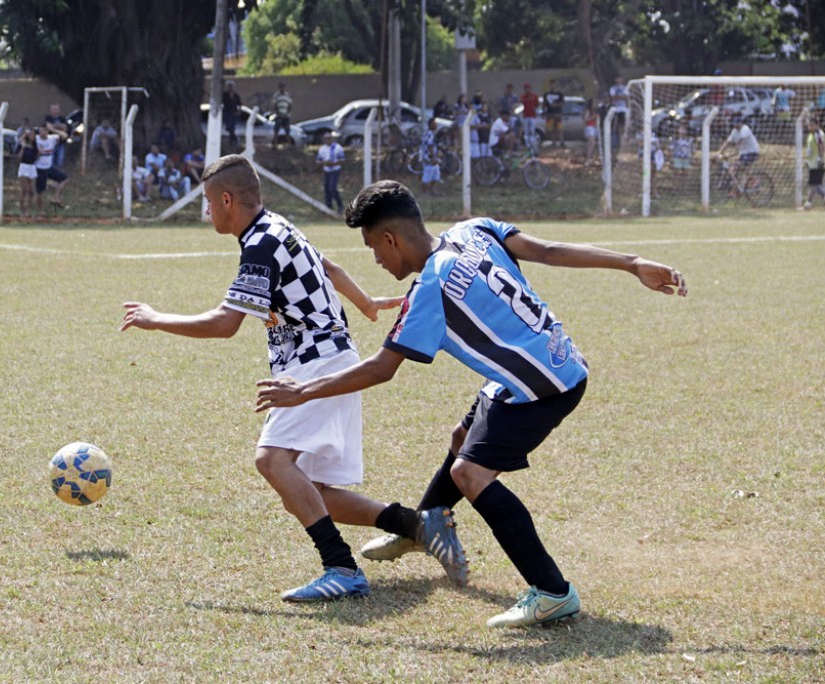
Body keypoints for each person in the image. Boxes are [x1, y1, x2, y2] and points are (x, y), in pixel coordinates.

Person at [255, 179, 688, 627]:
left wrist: (302, 391)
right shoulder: (473, 230)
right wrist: (632, 263)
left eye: (373, 249)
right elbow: (551, 251)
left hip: (542, 388)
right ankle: (421, 527)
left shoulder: (430, 289)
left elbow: (381, 368)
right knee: (462, 439)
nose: (377, 260)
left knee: (469, 473)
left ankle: (552, 591)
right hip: (546, 364)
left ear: (390, 238)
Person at [120, 155, 466, 602]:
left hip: (316, 363)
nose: (207, 212)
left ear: (227, 200)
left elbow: (226, 324)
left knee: (272, 461)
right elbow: (328, 268)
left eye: (209, 202)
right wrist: (364, 303)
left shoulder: (260, 242)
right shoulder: (276, 227)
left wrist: (156, 318)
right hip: (329, 357)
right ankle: (416, 526)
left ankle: (341, 568)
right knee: (314, 489)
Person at [717, 115, 760, 193]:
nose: (736, 125)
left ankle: (754, 181)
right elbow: (727, 142)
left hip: (752, 152)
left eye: (737, 123)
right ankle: (737, 190)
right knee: (735, 171)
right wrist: (720, 152)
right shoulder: (734, 131)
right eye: (734, 123)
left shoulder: (745, 129)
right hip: (744, 153)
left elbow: (739, 142)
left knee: (736, 168)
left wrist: (734, 152)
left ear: (741, 123)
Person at [35, 122, 70, 211]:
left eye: (45, 130)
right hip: (39, 168)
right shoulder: (36, 139)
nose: (43, 132)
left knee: (64, 179)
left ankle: (56, 197)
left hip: (49, 167)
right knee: (40, 191)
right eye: (42, 130)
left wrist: (53, 129)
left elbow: (65, 136)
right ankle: (40, 210)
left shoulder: (52, 138)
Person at [316, 131, 345, 211]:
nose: (327, 140)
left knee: (332, 188)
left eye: (329, 138)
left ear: (332, 139)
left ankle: (340, 205)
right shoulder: (322, 149)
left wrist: (333, 163)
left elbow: (342, 160)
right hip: (326, 170)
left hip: (335, 170)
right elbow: (318, 162)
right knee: (326, 188)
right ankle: (329, 207)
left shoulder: (337, 147)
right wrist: (324, 163)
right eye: (325, 139)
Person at [801, 117, 824, 210]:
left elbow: (822, 146)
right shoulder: (812, 134)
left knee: (813, 186)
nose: (810, 127)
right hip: (813, 163)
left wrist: (820, 159)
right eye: (809, 125)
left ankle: (807, 205)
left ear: (817, 125)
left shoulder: (817, 134)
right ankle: (808, 204)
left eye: (812, 125)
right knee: (817, 185)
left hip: (817, 164)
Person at [16, 128, 38, 217]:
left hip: (32, 167)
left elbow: (36, 156)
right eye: (30, 134)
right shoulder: (22, 144)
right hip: (24, 166)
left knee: (31, 191)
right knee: (23, 190)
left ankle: (28, 210)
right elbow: (19, 156)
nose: (32, 136)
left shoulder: (35, 146)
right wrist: (23, 146)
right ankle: (22, 211)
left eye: (33, 135)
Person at [420, 118, 441, 195]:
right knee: (427, 175)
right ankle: (424, 192)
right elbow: (430, 146)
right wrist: (433, 158)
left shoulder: (430, 133)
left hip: (432, 156)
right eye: (434, 123)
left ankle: (431, 190)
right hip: (428, 157)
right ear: (430, 125)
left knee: (436, 175)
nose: (436, 125)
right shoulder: (429, 134)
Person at [44, 104, 69, 169]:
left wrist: (53, 127)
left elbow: (65, 127)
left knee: (59, 160)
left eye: (56, 109)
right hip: (51, 144)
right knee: (50, 160)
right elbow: (47, 126)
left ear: (59, 110)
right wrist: (59, 126)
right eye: (53, 109)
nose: (55, 111)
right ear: (51, 110)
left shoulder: (62, 118)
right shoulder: (48, 118)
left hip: (60, 143)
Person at [543, 80, 566, 147]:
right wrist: (543, 111)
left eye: (554, 85)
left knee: (559, 128)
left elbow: (562, 103)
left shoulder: (560, 94)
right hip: (549, 113)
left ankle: (562, 142)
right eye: (551, 85)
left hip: (557, 113)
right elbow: (545, 104)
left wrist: (556, 105)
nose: (552, 86)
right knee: (551, 128)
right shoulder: (546, 94)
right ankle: (554, 142)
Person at [609, 76, 628, 148]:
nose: (619, 80)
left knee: (622, 127)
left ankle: (621, 143)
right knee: (615, 126)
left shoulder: (625, 88)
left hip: (623, 109)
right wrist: (621, 97)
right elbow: (613, 97)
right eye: (617, 79)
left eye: (620, 79)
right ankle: (615, 144)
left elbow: (627, 98)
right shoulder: (612, 88)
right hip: (615, 109)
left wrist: (619, 97)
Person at [223, 80, 243, 150]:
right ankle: (234, 140)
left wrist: (239, 111)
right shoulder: (224, 95)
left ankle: (232, 141)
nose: (230, 88)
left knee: (232, 127)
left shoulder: (236, 95)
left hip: (234, 113)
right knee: (229, 127)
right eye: (229, 86)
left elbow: (240, 104)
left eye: (231, 86)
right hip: (227, 113)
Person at [520, 84, 540, 149]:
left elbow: (537, 105)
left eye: (528, 88)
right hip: (525, 116)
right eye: (526, 88)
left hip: (532, 116)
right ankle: (527, 144)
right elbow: (521, 104)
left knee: (532, 131)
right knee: (526, 131)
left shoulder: (534, 96)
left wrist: (534, 109)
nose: (527, 90)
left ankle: (533, 144)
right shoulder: (523, 96)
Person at [583, 99, 599, 164]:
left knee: (591, 144)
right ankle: (588, 159)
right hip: (589, 127)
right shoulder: (588, 111)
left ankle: (590, 157)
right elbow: (585, 119)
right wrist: (593, 117)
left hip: (594, 127)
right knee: (592, 143)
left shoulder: (595, 111)